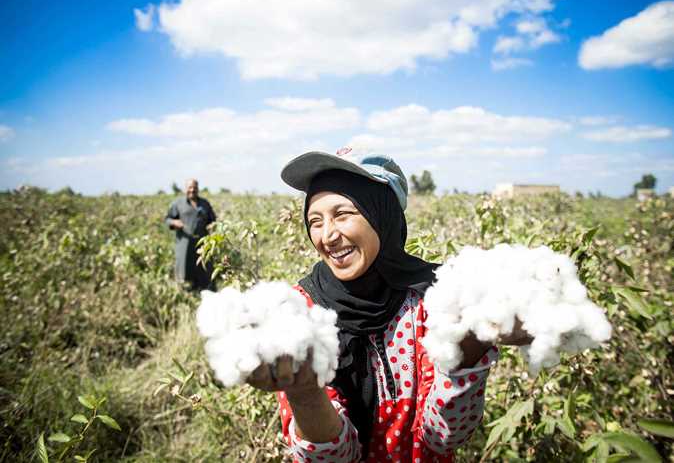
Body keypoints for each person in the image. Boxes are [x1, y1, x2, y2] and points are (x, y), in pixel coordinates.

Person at [246, 150, 532, 462]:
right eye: (315, 221)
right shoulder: (301, 310)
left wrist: (472, 342)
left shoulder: (435, 297)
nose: (327, 235)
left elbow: (444, 437)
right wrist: (304, 392)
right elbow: (330, 459)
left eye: (343, 215)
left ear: (382, 214)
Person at [165, 178, 217, 291]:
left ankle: (203, 289)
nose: (192, 190)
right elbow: (167, 219)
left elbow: (213, 220)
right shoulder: (177, 203)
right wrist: (174, 222)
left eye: (194, 187)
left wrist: (212, 227)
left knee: (203, 268)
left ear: (198, 189)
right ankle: (185, 292)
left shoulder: (205, 204)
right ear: (185, 189)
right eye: (190, 187)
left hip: (202, 243)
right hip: (184, 244)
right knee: (184, 269)